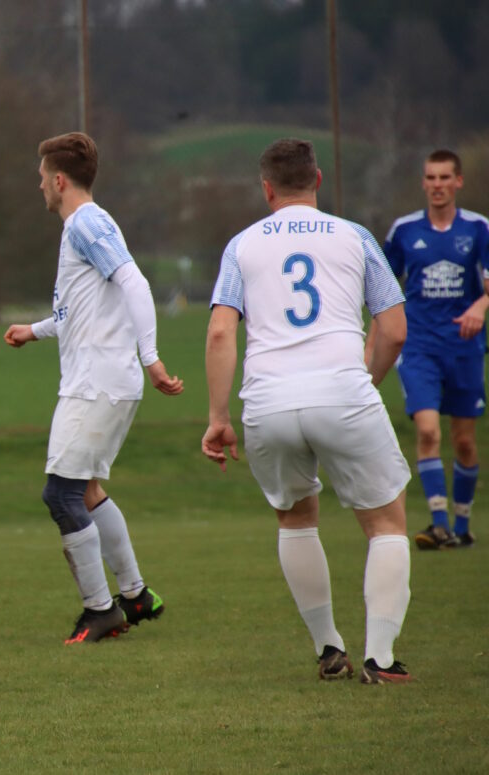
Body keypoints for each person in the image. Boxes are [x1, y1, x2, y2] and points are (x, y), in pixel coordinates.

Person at [202, 138, 413, 684]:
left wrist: (219, 418)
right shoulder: (355, 236)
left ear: (266, 189)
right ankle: (380, 659)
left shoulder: (242, 245)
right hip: (342, 390)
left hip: (268, 401)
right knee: (385, 522)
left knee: (295, 519)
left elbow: (221, 331)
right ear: (317, 180)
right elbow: (393, 330)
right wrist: (365, 381)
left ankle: (329, 649)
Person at [4, 131, 183, 645]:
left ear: (60, 181)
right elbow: (79, 311)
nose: (40, 186)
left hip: (97, 383)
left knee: (60, 494)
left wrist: (151, 357)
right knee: (85, 491)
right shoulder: (83, 227)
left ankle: (100, 610)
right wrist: (34, 330)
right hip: (103, 380)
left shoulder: (86, 222)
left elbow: (135, 284)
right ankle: (136, 595)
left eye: (42, 178)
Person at [382, 149, 489, 550]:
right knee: (427, 431)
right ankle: (439, 523)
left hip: (464, 347)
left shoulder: (478, 228)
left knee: (463, 442)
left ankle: (462, 524)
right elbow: (383, 286)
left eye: (445, 177)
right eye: (431, 178)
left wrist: (480, 306)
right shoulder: (404, 230)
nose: (437, 185)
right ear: (423, 182)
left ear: (458, 181)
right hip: (419, 347)